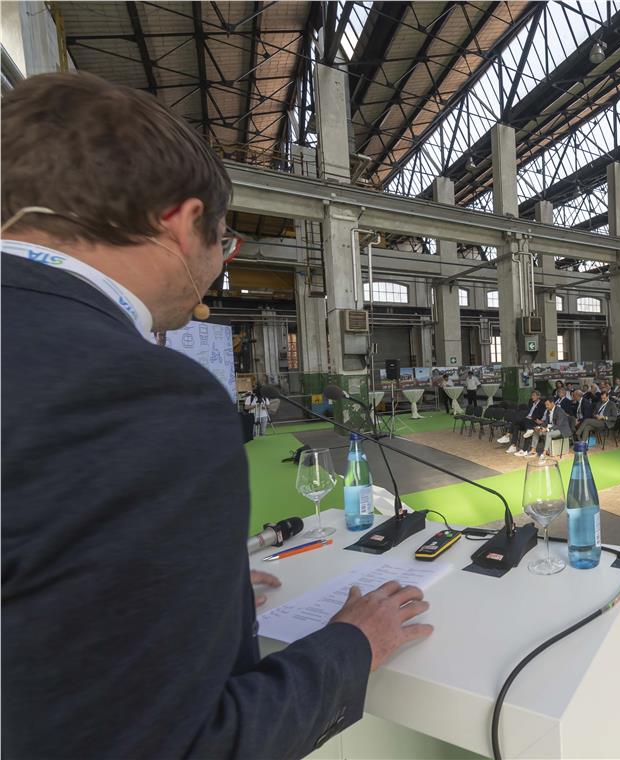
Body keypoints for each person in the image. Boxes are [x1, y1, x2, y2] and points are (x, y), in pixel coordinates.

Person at [1, 72, 433, 758]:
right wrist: (353, 644)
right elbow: (175, 746)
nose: (217, 265)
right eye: (223, 242)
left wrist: (198, 606)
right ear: (180, 222)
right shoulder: (140, 394)